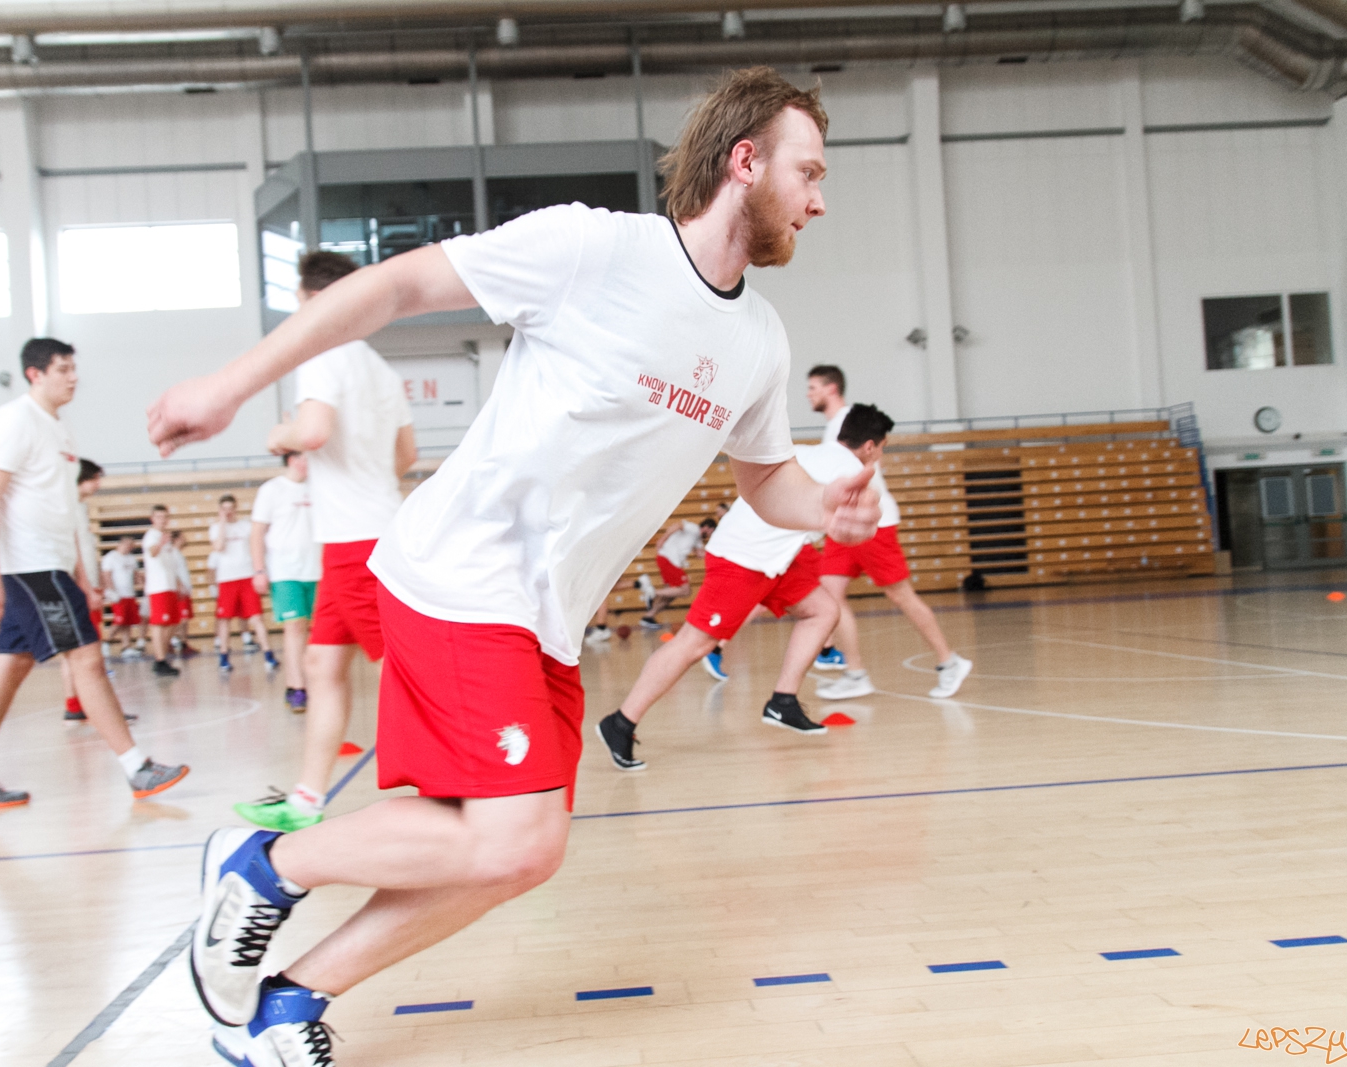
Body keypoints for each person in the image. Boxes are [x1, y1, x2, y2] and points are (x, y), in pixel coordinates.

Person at [149, 68, 876, 1067]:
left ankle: (289, 1002)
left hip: (546, 617)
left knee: (511, 852)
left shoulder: (757, 338)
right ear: (744, 162)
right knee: (516, 836)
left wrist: (828, 507)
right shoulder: (592, 247)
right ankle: (263, 864)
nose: (820, 198)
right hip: (461, 572)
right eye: (809, 171)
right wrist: (233, 385)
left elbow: (766, 483)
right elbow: (396, 285)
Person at [0, 337, 188, 810]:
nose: (73, 377)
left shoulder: (60, 430)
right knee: (87, 661)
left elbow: (66, 510)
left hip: (53, 566)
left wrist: (80, 573)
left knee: (9, 666)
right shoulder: (13, 421)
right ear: (35, 374)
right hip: (29, 568)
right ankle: (137, 768)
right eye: (62, 369)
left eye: (74, 368)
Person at [231, 249, 415, 833]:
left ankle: (476, 783)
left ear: (313, 301)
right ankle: (307, 799)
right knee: (320, 662)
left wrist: (278, 434)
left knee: (407, 670)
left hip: (357, 540)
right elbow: (405, 457)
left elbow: (310, 431)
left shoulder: (321, 355)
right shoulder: (379, 369)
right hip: (364, 530)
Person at [598, 445, 859, 771]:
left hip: (775, 558)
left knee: (822, 610)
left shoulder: (808, 453)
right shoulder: (853, 473)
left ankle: (783, 702)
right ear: (871, 448)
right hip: (743, 558)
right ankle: (620, 723)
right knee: (694, 644)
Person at [809, 404, 973, 701]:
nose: (881, 455)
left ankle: (950, 662)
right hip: (845, 528)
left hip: (874, 528)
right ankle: (855, 674)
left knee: (901, 596)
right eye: (883, 448)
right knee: (830, 597)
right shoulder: (837, 458)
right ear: (870, 446)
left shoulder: (840, 459)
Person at [248, 452, 319, 710]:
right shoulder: (272, 490)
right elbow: (257, 532)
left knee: (318, 631)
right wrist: (259, 570)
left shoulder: (320, 486)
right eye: (304, 457)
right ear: (292, 460)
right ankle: (296, 687)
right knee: (295, 626)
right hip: (285, 571)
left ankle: (315, 683)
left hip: (318, 570)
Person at [804, 363, 853, 671]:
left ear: (831, 388)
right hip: (841, 524)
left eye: (812, 388)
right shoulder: (834, 426)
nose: (808, 394)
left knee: (830, 599)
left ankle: (848, 665)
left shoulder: (844, 425)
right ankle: (829, 652)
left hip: (852, 524)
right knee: (829, 597)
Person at [62, 459, 109, 721]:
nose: (98, 484)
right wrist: (85, 587)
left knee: (88, 651)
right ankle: (76, 704)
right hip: (80, 589)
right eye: (94, 479)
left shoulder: (80, 508)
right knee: (82, 651)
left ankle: (79, 704)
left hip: (88, 586)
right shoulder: (68, 508)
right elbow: (73, 552)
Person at [210, 493, 276, 673]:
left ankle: (268, 654)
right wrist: (223, 522)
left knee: (256, 618)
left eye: (231, 508)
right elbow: (218, 547)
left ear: (236, 508)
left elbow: (259, 545)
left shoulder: (246, 526)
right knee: (225, 620)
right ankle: (224, 656)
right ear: (220, 510)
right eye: (224, 509)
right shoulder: (216, 528)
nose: (228, 512)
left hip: (247, 576)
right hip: (226, 579)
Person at [634, 515, 716, 629]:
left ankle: (648, 616)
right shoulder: (693, 528)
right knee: (685, 590)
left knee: (671, 594)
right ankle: (652, 592)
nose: (710, 535)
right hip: (669, 559)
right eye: (711, 532)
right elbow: (677, 525)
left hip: (669, 561)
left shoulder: (697, 538)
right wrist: (663, 538)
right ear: (707, 527)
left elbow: (700, 554)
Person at [140, 504, 181, 677]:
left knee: (172, 623)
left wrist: (178, 583)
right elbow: (152, 553)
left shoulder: (165, 537)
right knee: (159, 623)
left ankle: (162, 656)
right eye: (158, 517)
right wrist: (160, 543)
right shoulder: (152, 536)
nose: (162, 520)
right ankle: (160, 660)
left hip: (169, 585)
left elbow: (170, 564)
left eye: (165, 517)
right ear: (152, 519)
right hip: (158, 586)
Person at [100, 535, 143, 657]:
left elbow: (135, 575)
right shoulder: (111, 557)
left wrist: (141, 580)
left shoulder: (131, 559)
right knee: (119, 620)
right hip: (118, 594)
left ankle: (126, 646)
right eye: (128, 545)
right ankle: (106, 642)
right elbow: (106, 575)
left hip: (129, 594)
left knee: (128, 621)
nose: (130, 548)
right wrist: (111, 590)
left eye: (132, 546)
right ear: (121, 544)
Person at [167, 529, 198, 656]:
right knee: (181, 618)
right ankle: (171, 640)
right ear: (176, 539)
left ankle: (183, 642)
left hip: (185, 589)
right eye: (182, 537)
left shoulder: (178, 553)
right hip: (180, 590)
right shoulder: (172, 553)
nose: (185, 539)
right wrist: (179, 585)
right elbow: (172, 571)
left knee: (185, 618)